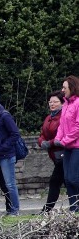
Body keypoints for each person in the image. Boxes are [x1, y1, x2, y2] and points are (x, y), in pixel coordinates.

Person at [53, 75, 79, 212]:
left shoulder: (78, 103)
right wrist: (59, 138)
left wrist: (65, 140)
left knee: (74, 178)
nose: (62, 90)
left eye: (64, 87)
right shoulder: (66, 104)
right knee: (68, 179)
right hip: (67, 147)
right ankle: (73, 208)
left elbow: (78, 127)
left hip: (76, 147)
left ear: (72, 88)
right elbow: (62, 125)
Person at [37, 91, 65, 213]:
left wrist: (51, 143)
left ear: (62, 103)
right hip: (54, 155)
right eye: (50, 102)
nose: (52, 104)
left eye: (55, 102)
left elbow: (63, 135)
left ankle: (47, 209)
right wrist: (41, 142)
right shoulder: (49, 117)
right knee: (65, 181)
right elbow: (42, 134)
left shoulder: (64, 116)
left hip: (64, 153)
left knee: (56, 181)